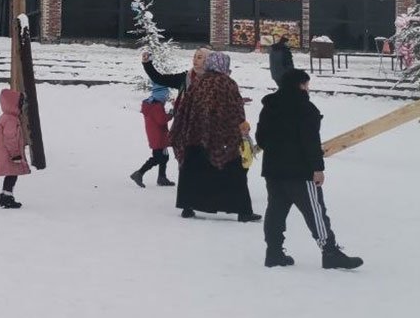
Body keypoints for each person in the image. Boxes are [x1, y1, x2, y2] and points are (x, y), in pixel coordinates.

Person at [256, 69, 363, 269]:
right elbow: (310, 142)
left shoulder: (270, 106)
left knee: (275, 211)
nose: (308, 88)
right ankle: (330, 252)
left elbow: (261, 138)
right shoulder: (305, 108)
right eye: (306, 84)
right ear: (300, 85)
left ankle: (274, 252)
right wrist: (317, 168)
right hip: (300, 171)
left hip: (273, 170)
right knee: (316, 212)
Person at [169, 52, 261, 222]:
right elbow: (235, 109)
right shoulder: (227, 83)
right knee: (234, 173)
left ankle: (187, 206)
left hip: (195, 135)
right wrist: (240, 126)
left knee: (192, 171)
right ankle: (243, 211)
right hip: (221, 137)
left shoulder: (198, 82)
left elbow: (185, 107)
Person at [131, 85, 176, 188]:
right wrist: (171, 114)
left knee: (164, 156)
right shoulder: (156, 106)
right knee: (158, 157)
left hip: (155, 134)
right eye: (166, 96)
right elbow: (161, 120)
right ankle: (139, 173)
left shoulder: (150, 104)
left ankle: (162, 178)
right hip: (159, 136)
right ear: (161, 96)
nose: (166, 98)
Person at [0, 88, 29, 207]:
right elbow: (10, 138)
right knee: (12, 174)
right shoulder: (10, 119)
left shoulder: (7, 117)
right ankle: (6, 198)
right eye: (20, 103)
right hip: (9, 154)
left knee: (11, 174)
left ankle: (5, 196)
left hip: (5, 152)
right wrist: (15, 154)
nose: (22, 106)